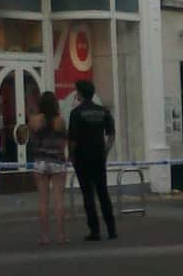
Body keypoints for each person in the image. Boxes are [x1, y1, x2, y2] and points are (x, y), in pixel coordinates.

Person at [69, 80, 117, 241]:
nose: (76, 94)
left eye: (77, 91)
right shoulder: (103, 112)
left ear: (80, 93)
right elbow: (111, 134)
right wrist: (106, 151)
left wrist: (71, 155)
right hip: (98, 157)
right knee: (103, 192)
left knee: (88, 194)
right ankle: (112, 229)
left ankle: (94, 230)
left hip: (82, 158)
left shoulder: (76, 113)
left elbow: (73, 139)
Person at [28, 92, 68, 245]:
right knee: (59, 199)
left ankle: (44, 236)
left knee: (43, 201)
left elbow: (31, 141)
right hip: (57, 161)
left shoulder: (34, 120)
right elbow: (64, 141)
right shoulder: (60, 121)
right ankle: (61, 235)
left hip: (40, 162)